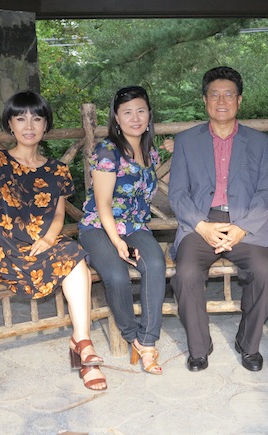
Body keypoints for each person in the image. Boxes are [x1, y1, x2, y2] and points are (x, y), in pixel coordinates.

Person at [0, 90, 107, 390]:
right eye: (20, 118)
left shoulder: (57, 169)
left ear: (46, 125)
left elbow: (58, 214)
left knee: (75, 256)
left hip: (48, 244)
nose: (29, 125)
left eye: (37, 118)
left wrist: (49, 238)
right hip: (12, 251)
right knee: (75, 260)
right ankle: (83, 347)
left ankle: (83, 343)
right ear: (10, 124)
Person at [169, 66, 268, 372]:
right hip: (200, 223)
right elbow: (177, 193)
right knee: (186, 273)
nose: (221, 101)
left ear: (239, 100)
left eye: (228, 94)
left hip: (245, 223)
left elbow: (267, 191)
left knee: (265, 273)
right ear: (205, 101)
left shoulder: (259, 141)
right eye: (214, 94)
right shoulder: (187, 141)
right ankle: (199, 347)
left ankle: (248, 343)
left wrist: (243, 227)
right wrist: (201, 226)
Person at [79, 86, 166, 375]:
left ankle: (148, 340)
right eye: (127, 112)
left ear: (149, 114)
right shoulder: (107, 151)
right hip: (99, 226)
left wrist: (176, 149)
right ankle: (133, 337)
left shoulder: (150, 152)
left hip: (134, 225)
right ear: (116, 118)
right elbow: (103, 204)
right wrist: (117, 241)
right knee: (117, 276)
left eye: (141, 111)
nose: (135, 118)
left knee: (155, 263)